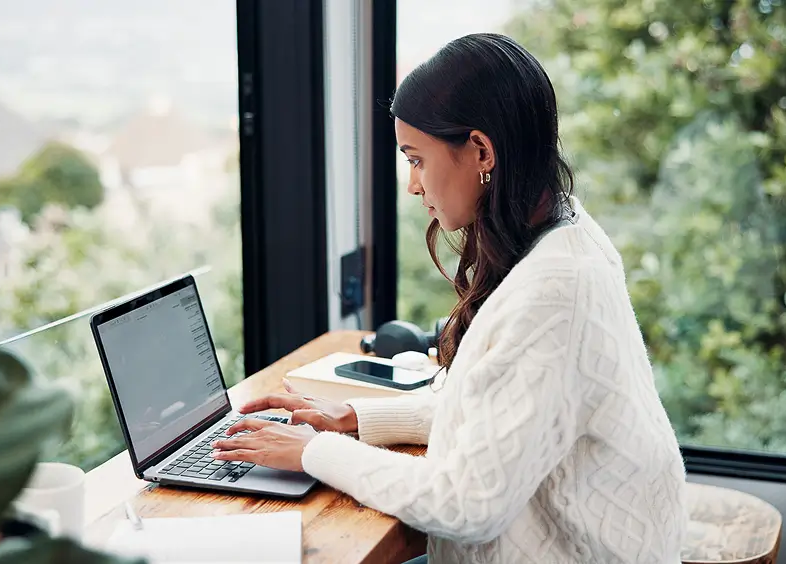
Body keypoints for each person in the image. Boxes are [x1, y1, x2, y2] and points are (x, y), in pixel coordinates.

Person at [211, 33, 688, 563]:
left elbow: (467, 503)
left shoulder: (554, 289)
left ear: (481, 151)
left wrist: (314, 452)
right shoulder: (564, 229)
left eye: (416, 159)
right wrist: (353, 417)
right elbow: (506, 418)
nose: (413, 186)